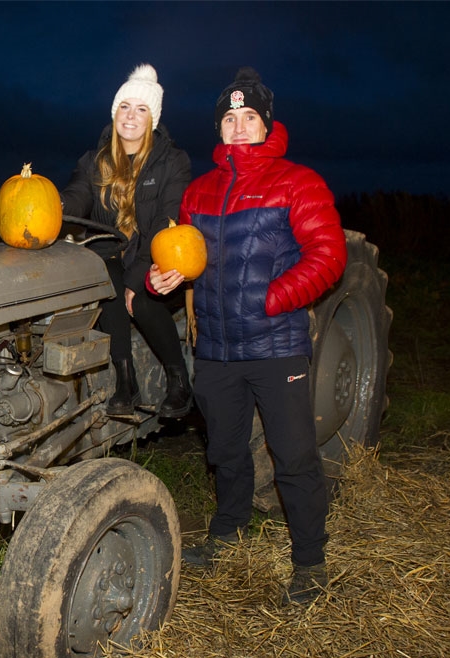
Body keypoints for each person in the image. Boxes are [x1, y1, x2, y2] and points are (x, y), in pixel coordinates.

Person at [148, 67, 347, 605]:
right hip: (215, 348)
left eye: (249, 118)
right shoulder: (199, 193)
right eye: (229, 119)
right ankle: (228, 528)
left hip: (276, 346)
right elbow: (181, 256)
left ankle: (310, 560)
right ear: (220, 128)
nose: (238, 128)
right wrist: (160, 278)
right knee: (226, 451)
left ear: (266, 126)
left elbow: (329, 257)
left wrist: (272, 299)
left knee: (294, 456)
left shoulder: (296, 183)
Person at [60, 63, 193, 419]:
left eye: (141, 109)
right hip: (109, 255)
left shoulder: (172, 162)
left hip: (154, 254)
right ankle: (125, 380)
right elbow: (77, 196)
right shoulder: (93, 161)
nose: (131, 116)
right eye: (124, 106)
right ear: (114, 112)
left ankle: (179, 379)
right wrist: (53, 206)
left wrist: (138, 277)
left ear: (152, 118)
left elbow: (166, 222)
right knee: (103, 278)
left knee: (144, 298)